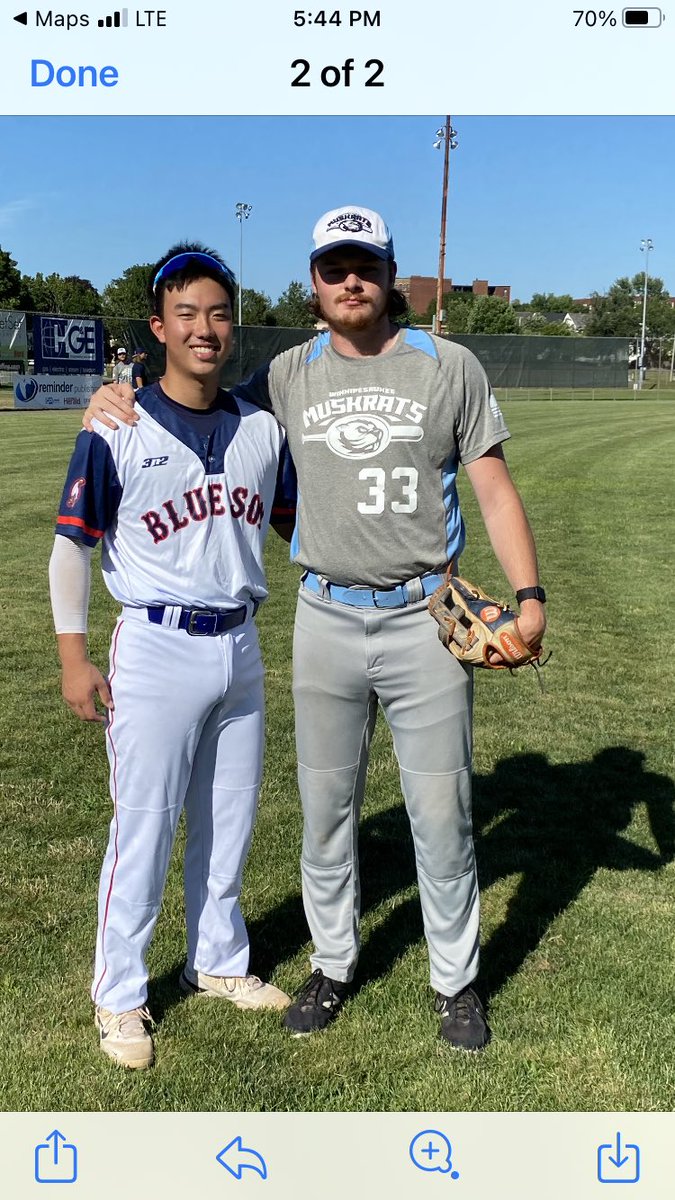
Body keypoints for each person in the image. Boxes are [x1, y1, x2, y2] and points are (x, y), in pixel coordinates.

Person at [83, 207, 546, 1053]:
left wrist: (529, 593)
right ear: (314, 283)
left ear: (389, 273)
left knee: (440, 812)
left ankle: (456, 982)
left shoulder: (449, 367)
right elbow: (192, 394)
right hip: (324, 617)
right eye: (333, 267)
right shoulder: (287, 374)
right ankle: (332, 964)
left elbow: (492, 486)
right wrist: (113, 394)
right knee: (325, 811)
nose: (349, 281)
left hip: (425, 619)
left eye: (363, 264)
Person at [51, 243, 294, 1070]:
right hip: (153, 643)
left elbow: (307, 529)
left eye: (218, 313)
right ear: (157, 327)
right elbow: (71, 549)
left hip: (239, 644)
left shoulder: (262, 429)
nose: (204, 328)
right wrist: (74, 657)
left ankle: (218, 961)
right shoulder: (115, 425)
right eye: (186, 313)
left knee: (229, 818)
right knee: (144, 827)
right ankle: (119, 994)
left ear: (234, 329)